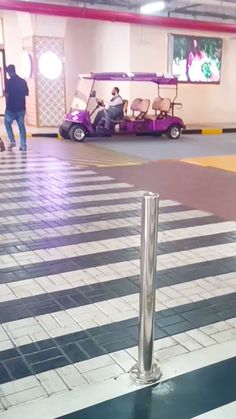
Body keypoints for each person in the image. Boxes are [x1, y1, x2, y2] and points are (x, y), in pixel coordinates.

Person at [4, 64, 29, 151]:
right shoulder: (23, 81)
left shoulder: (8, 82)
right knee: (21, 126)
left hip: (11, 108)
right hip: (21, 108)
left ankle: (12, 141)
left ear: (9, 72)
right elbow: (27, 93)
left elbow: (6, 94)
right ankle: (23, 145)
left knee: (7, 123)